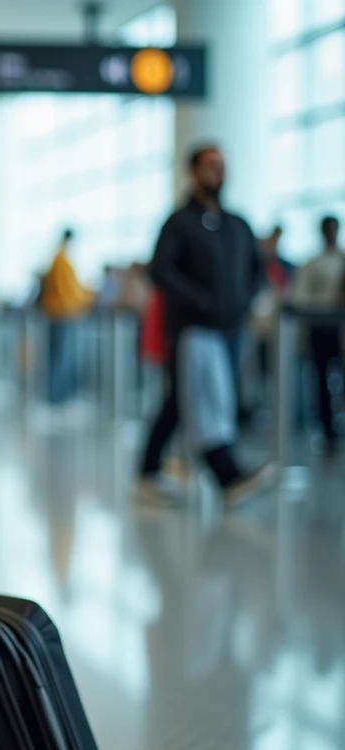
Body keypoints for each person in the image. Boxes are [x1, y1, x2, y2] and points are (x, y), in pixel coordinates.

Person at [136, 143, 271, 506]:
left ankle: (149, 469)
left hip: (230, 330)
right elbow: (161, 271)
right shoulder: (180, 223)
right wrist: (199, 300)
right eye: (211, 165)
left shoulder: (236, 225)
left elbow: (257, 270)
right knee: (197, 400)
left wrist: (242, 301)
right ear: (194, 172)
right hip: (192, 330)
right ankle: (225, 474)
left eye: (222, 165)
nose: (219, 172)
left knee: (192, 401)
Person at [290, 215, 344, 456]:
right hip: (321, 329)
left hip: (341, 329)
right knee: (321, 382)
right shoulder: (312, 264)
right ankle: (328, 432)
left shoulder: (342, 259)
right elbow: (300, 298)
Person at [38, 228, 93, 405]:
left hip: (60, 313)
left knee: (60, 356)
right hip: (62, 313)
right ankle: (56, 397)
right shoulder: (61, 259)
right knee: (61, 358)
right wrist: (86, 299)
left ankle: (57, 396)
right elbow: (67, 289)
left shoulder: (59, 258)